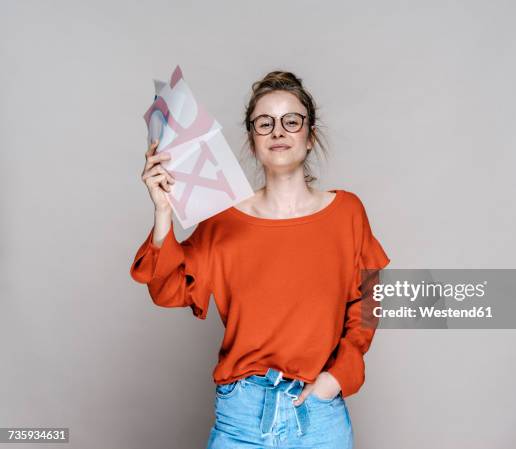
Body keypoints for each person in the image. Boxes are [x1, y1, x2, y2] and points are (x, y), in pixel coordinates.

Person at [129, 71, 390, 449]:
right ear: (252, 140)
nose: (278, 131)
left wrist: (338, 376)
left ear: (309, 134)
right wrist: (163, 214)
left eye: (291, 121)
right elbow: (168, 290)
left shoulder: (346, 212)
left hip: (318, 417)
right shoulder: (223, 219)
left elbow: (366, 303)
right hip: (241, 418)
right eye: (264, 123)